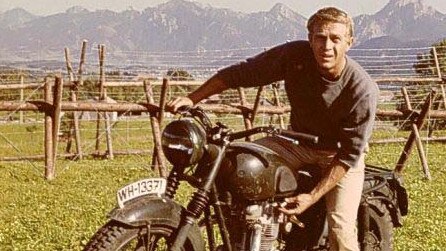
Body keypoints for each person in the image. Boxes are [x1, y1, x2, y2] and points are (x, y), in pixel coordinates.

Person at [166, 7, 379, 251]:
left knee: (340, 228)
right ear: (310, 39)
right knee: (238, 164)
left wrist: (311, 197)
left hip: (337, 155)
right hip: (296, 143)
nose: (326, 46)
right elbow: (243, 73)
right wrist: (193, 98)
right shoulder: (294, 56)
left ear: (349, 43)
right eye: (320, 37)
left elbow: (350, 154)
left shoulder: (362, 89)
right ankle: (243, 236)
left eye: (335, 39)